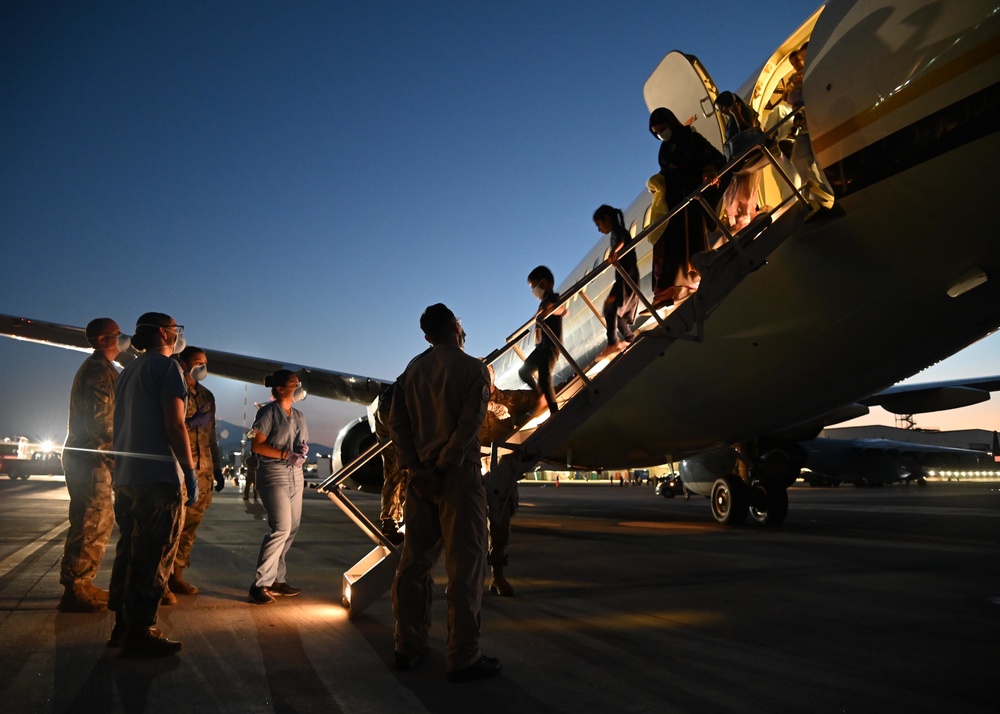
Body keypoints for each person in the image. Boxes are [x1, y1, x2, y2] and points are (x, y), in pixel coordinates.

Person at [389, 303, 501, 682]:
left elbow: (397, 423)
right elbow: (470, 424)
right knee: (465, 567)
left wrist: (415, 468)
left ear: (426, 336)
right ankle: (463, 654)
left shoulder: (412, 370)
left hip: (420, 480)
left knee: (414, 563)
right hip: (458, 477)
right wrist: (442, 467)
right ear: (456, 327)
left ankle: (407, 645)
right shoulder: (474, 369)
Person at [107, 313, 197, 657]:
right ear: (163, 333)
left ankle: (122, 625)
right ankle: (141, 632)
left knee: (128, 552)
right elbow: (175, 424)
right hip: (158, 478)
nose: (178, 334)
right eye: (176, 328)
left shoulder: (128, 371)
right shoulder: (165, 367)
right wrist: (188, 471)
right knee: (155, 554)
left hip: (127, 476)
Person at [57, 318, 127, 613]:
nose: (122, 339)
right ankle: (75, 589)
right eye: (117, 334)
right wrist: (116, 460)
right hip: (91, 459)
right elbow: (102, 424)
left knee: (97, 521)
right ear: (102, 339)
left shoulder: (106, 370)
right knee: (91, 521)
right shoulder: (99, 371)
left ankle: (82, 582)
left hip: (91, 458)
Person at [164, 346, 225, 599]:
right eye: (198, 362)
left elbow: (210, 437)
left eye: (205, 362)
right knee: (170, 527)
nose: (202, 366)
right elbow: (168, 427)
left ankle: (177, 575)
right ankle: (161, 581)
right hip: (179, 467)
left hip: (203, 471)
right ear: (183, 362)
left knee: (190, 528)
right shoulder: (172, 389)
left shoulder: (207, 396)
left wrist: (217, 470)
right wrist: (190, 423)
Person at [648, 107, 727, 303]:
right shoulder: (664, 149)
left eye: (663, 129)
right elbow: (666, 172)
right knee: (670, 243)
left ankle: (694, 278)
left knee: (692, 237)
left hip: (693, 195)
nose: (661, 135)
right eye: (656, 133)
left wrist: (709, 169)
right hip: (674, 201)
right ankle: (669, 289)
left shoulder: (690, 138)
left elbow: (714, 157)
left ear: (672, 123)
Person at [247, 369, 309, 605]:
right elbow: (257, 446)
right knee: (280, 528)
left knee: (291, 529)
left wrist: (302, 451)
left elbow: (301, 443)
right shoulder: (267, 412)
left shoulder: (299, 415)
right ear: (280, 389)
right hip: (274, 474)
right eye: (294, 384)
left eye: (298, 383)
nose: (299, 388)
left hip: (296, 475)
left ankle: (277, 580)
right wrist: (285, 454)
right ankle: (260, 584)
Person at [482, 367, 537, 597]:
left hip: (502, 469)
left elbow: (538, 398)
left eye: (488, 372)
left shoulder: (510, 399)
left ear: (494, 376)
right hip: (473, 466)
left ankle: (497, 575)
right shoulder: (464, 401)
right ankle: (468, 576)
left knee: (501, 522)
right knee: (467, 526)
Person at [518, 265, 566, 414]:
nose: (533, 291)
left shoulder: (552, 298)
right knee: (524, 371)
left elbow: (563, 310)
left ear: (544, 284)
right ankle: (542, 396)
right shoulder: (543, 302)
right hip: (541, 347)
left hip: (551, 345)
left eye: (534, 286)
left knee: (545, 378)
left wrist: (551, 309)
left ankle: (554, 411)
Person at [714, 91, 765, 232]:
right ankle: (740, 224)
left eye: (722, 108)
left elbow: (748, 133)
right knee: (734, 195)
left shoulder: (745, 114)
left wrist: (737, 113)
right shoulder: (730, 121)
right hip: (738, 163)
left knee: (744, 195)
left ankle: (746, 225)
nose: (722, 112)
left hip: (747, 161)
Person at [593, 205, 639, 358]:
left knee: (610, 308)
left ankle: (613, 342)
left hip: (627, 276)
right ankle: (628, 338)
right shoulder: (616, 232)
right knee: (611, 309)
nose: (599, 230)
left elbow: (622, 240)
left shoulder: (617, 231)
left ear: (606, 218)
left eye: (599, 224)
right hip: (624, 276)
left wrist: (614, 252)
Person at [374, 382, 406, 545]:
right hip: (397, 414)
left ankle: (390, 523)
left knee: (396, 472)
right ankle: (390, 524)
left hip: (388, 412)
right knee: (400, 471)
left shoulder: (418, 370)